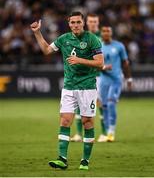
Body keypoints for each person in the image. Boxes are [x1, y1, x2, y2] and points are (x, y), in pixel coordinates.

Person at [30, 12, 104, 170]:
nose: (76, 25)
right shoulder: (64, 39)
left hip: (87, 87)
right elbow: (47, 50)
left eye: (78, 22)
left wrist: (79, 60)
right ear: (69, 24)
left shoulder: (92, 39)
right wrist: (37, 33)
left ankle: (85, 161)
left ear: (82, 23)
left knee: (87, 122)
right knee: (64, 120)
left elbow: (100, 63)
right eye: (73, 22)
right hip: (69, 86)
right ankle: (62, 159)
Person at [70, 13, 111, 142]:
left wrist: (104, 67)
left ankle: (105, 133)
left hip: (99, 76)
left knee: (100, 103)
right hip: (85, 75)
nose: (93, 23)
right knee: (78, 103)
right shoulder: (82, 37)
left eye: (95, 21)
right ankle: (78, 134)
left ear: (98, 23)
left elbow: (107, 56)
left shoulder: (102, 37)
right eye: (91, 21)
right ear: (86, 22)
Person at [98, 25, 132, 142]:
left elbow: (125, 63)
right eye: (104, 31)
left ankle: (112, 131)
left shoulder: (119, 46)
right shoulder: (98, 46)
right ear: (101, 33)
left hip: (116, 79)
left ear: (111, 33)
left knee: (111, 103)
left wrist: (129, 79)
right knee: (105, 106)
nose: (106, 33)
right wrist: (103, 67)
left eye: (108, 31)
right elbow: (95, 65)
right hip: (103, 81)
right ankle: (107, 131)